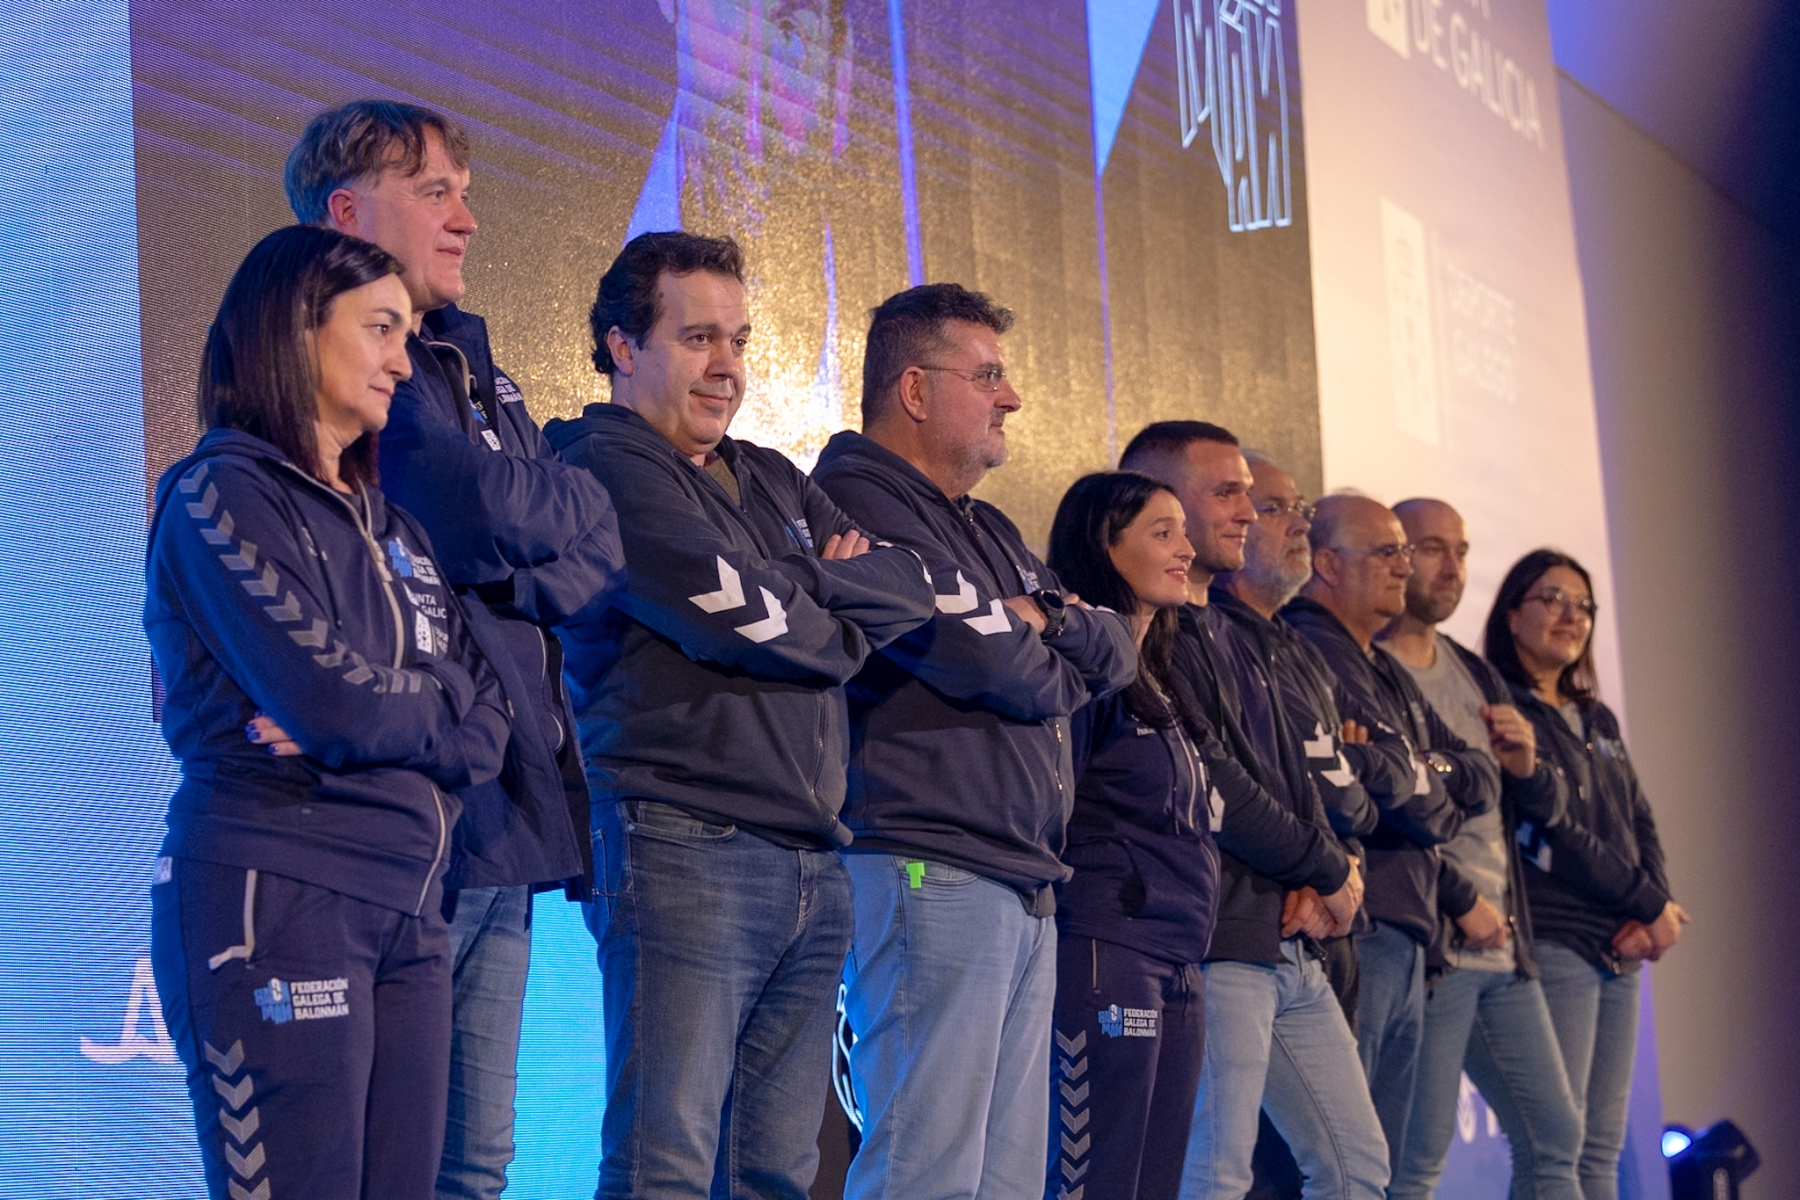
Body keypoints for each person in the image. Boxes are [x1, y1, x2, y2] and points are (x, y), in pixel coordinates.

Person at [545, 231, 936, 1200]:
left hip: (810, 858)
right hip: (680, 843)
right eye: (698, 339)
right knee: (665, 1166)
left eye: (739, 340)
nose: (727, 366)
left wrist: (796, 593)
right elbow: (736, 621)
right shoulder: (602, 465)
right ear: (622, 346)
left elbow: (908, 588)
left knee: (772, 1174)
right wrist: (829, 605)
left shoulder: (767, 474)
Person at [285, 99, 626, 1200]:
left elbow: (595, 544)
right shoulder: (325, 380)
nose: (467, 220)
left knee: (477, 1163)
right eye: (436, 193)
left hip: (509, 805)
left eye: (464, 195)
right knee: (390, 1163)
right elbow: (461, 505)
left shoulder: (471, 358)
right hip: (409, 819)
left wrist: (513, 553)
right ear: (348, 213)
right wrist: (523, 530)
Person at [145, 225, 510, 1200]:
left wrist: (396, 711)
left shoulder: (398, 529)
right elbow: (335, 700)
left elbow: (487, 717)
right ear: (298, 330)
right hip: (277, 897)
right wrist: (402, 708)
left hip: (410, 909)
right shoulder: (218, 493)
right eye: (380, 329)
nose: (405, 361)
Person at [810, 283, 1137, 1200]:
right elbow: (996, 664)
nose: (1012, 398)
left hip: (1020, 883)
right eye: (988, 376)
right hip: (929, 868)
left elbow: (1114, 651)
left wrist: (1049, 621)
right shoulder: (855, 500)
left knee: (1005, 1185)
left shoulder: (986, 527)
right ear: (915, 390)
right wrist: (1049, 644)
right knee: (926, 1173)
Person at [1117, 423, 1385, 1200]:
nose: (1245, 512)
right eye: (1227, 493)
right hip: (1216, 939)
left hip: (1289, 938)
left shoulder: (1239, 636)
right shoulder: (1146, 633)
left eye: (1250, 495)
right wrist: (1326, 867)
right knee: (1213, 1176)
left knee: (1358, 1169)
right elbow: (1216, 787)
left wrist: (1334, 870)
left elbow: (1297, 784)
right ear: (1162, 503)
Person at [1281, 495, 1501, 1173]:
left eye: (1407, 551)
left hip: (1406, 928)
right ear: (1326, 564)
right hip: (1363, 922)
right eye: (1387, 552)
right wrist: (1417, 777)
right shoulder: (1312, 646)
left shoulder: (1378, 663)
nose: (1404, 567)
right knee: (1346, 1165)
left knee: (1381, 1165)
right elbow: (1372, 791)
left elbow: (1478, 776)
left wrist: (1416, 771)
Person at [1375, 500, 1582, 1199]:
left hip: (1502, 945)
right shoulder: (1367, 669)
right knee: (1414, 1162)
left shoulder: (1473, 671)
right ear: (1395, 554)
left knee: (1556, 1139)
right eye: (1433, 548)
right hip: (1438, 947)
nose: (1451, 567)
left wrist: (1528, 766)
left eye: (1461, 551)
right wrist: (1460, 901)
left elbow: (1542, 810)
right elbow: (1384, 810)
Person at [1483, 549, 1688, 1200]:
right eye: (1552, 600)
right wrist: (1646, 903)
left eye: (1583, 605)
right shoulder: (1502, 712)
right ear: (1512, 614)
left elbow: (1638, 817)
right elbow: (1556, 832)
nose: (1571, 616)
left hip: (1619, 944)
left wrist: (1655, 906)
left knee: (1601, 1148)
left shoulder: (1596, 717)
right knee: (1555, 1146)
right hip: (1557, 939)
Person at [1041, 471, 1220, 1200]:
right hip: (1105, 947)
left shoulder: (1163, 679)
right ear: (1104, 545)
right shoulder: (1083, 673)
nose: (1187, 550)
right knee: (1096, 1182)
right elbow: (1053, 807)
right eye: (1162, 532)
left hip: (1180, 955)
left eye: (1184, 532)